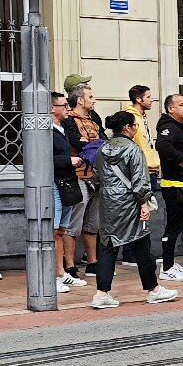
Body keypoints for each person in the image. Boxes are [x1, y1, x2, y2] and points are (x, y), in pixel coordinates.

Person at [91, 110, 177, 308]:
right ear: (128, 128)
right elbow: (140, 182)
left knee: (108, 245)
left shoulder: (102, 149)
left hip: (108, 200)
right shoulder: (133, 150)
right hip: (129, 201)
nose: (136, 129)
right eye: (135, 125)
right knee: (141, 244)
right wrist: (144, 202)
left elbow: (97, 174)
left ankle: (102, 293)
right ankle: (153, 290)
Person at [153, 92, 183, 281]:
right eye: (181, 105)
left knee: (177, 227)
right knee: (173, 227)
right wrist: (182, 160)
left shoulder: (181, 127)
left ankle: (169, 262)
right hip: (174, 184)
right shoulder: (169, 127)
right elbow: (162, 145)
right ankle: (167, 268)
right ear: (171, 109)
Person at [64, 77, 105, 275]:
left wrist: (92, 145)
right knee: (74, 224)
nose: (94, 100)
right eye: (90, 96)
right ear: (80, 100)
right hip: (78, 176)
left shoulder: (94, 119)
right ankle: (70, 265)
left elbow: (103, 142)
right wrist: (92, 145)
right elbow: (78, 144)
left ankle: (92, 263)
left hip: (97, 175)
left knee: (93, 223)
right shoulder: (69, 121)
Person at [49, 92, 87, 293]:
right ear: (52, 108)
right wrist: (68, 160)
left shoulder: (61, 129)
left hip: (66, 183)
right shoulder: (45, 131)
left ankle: (62, 273)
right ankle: (54, 275)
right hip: (55, 184)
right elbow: (42, 159)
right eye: (64, 106)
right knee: (54, 231)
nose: (68, 109)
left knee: (61, 230)